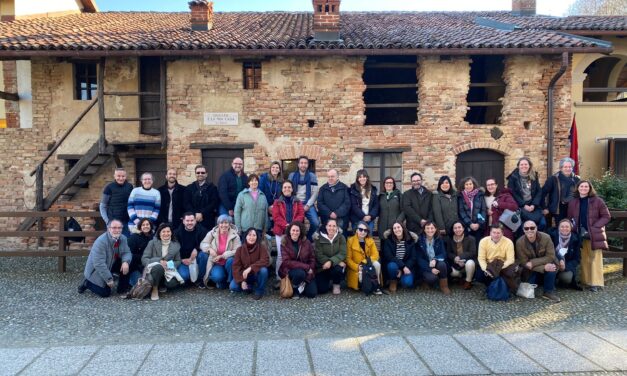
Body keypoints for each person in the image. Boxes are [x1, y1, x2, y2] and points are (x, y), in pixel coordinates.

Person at [567, 180, 611, 292]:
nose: (584, 188)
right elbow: (570, 218)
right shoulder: (573, 202)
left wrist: (595, 227)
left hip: (594, 234)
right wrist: (573, 228)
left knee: (595, 258)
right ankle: (586, 281)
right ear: (578, 188)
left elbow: (606, 216)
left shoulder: (598, 201)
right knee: (584, 258)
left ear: (590, 188)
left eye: (586, 186)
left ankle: (595, 283)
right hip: (579, 234)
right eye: (581, 186)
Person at [78, 219, 132, 297]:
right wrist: (109, 279)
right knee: (105, 293)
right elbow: (99, 263)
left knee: (129, 263)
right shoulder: (101, 241)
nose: (117, 230)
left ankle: (122, 289)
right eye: (114, 228)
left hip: (111, 264)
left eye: (119, 228)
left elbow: (126, 252)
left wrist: (125, 262)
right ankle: (87, 282)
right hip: (96, 270)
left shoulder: (123, 238)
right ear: (108, 228)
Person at [515, 220, 561, 302]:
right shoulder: (519, 242)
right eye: (526, 228)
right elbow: (524, 263)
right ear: (523, 230)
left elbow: (550, 256)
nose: (529, 230)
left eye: (532, 228)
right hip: (531, 270)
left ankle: (548, 292)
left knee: (551, 268)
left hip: (544, 264)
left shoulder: (546, 237)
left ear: (536, 228)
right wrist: (544, 267)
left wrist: (533, 263)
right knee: (529, 284)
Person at [272, 180, 305, 279]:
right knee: (280, 256)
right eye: (285, 187)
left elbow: (301, 214)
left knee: (293, 255)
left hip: (294, 233)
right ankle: (279, 278)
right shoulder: (277, 202)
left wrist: (293, 226)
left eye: (289, 187)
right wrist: (287, 226)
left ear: (292, 189)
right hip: (281, 232)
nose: (287, 189)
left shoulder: (297, 201)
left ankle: (291, 277)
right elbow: (276, 217)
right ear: (282, 189)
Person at [141, 223, 182, 301]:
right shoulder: (152, 243)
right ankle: (155, 288)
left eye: (168, 231)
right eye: (163, 231)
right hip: (153, 269)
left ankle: (161, 284)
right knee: (158, 267)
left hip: (168, 269)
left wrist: (168, 264)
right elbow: (144, 259)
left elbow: (178, 261)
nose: (166, 234)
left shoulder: (176, 245)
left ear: (171, 233)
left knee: (171, 284)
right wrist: (159, 261)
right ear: (159, 233)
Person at [199, 214, 241, 289]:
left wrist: (222, 256)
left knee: (231, 260)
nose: (224, 225)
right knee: (217, 277)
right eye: (221, 223)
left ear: (230, 224)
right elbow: (203, 244)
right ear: (218, 224)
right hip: (217, 263)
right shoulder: (212, 233)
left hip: (228, 262)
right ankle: (221, 282)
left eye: (226, 223)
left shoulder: (235, 235)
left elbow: (238, 250)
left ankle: (230, 281)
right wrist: (209, 249)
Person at [278, 222, 318, 299]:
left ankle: (301, 286)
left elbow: (312, 258)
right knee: (300, 273)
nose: (295, 233)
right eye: (293, 230)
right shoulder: (284, 242)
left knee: (312, 294)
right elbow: (286, 262)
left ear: (300, 232)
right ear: (289, 231)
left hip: (306, 271)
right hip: (290, 270)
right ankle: (295, 289)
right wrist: (306, 267)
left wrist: (310, 273)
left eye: (297, 231)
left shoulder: (307, 242)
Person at [476, 225, 519, 294]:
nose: (496, 235)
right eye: (494, 232)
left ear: (502, 233)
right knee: (479, 275)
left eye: (498, 233)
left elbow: (510, 259)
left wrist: (498, 268)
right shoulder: (483, 241)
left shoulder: (508, 242)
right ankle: (491, 285)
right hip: (489, 265)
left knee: (509, 273)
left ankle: (503, 286)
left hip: (503, 265)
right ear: (490, 233)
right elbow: (481, 259)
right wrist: (486, 270)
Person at [230, 228, 270, 300]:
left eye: (254, 235)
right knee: (233, 286)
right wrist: (242, 281)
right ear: (245, 236)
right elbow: (236, 267)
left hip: (256, 274)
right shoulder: (240, 249)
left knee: (264, 270)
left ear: (257, 237)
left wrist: (250, 268)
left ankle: (259, 290)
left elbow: (265, 260)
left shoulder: (261, 247)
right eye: (249, 235)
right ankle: (249, 287)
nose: (251, 237)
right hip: (244, 275)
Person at [507, 157, 545, 230]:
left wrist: (534, 205)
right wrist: (524, 205)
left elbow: (538, 191)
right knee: (524, 226)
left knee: (542, 224)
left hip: (534, 205)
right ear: (518, 166)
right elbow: (513, 193)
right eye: (521, 164)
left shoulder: (534, 175)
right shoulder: (513, 177)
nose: (524, 166)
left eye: (526, 164)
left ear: (529, 165)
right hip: (520, 206)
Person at [346, 220, 383, 294]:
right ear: (356, 230)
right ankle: (365, 285)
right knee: (361, 281)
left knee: (377, 264)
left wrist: (365, 262)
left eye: (365, 230)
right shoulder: (350, 241)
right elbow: (348, 259)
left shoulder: (370, 240)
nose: (363, 232)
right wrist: (357, 267)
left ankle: (376, 285)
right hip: (357, 267)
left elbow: (376, 254)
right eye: (360, 229)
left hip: (368, 264)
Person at [542, 157, 580, 226]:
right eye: (565, 167)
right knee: (561, 227)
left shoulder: (577, 179)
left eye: (570, 167)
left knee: (573, 227)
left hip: (573, 207)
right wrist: (544, 207)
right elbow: (542, 193)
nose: (568, 169)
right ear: (561, 168)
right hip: (559, 208)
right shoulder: (553, 179)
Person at [288, 156, 320, 240]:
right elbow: (288, 190)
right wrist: (296, 203)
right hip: (295, 203)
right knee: (296, 224)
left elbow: (315, 193)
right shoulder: (292, 176)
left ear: (308, 165)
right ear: (298, 164)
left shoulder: (312, 176)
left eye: (305, 163)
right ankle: (298, 240)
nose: (303, 165)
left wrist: (308, 205)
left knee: (316, 223)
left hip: (308, 204)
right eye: (301, 163)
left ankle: (308, 238)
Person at [314, 218, 347, 295]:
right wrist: (330, 262)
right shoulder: (318, 238)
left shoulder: (341, 237)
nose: (331, 228)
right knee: (322, 290)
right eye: (329, 226)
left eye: (334, 226)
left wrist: (331, 262)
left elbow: (342, 253)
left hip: (335, 266)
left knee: (338, 269)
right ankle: (326, 280)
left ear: (337, 228)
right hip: (323, 266)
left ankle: (336, 284)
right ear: (326, 226)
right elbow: (319, 254)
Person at [382, 222, 417, 292]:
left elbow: (413, 257)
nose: (397, 229)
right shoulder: (389, 241)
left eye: (398, 227)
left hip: (407, 266)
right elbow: (389, 257)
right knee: (392, 266)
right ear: (392, 231)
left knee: (407, 283)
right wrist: (403, 267)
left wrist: (403, 269)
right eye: (394, 228)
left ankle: (400, 278)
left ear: (403, 228)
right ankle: (393, 281)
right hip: (395, 265)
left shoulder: (410, 240)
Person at [415, 222, 450, 294]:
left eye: (432, 228)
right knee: (432, 278)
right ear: (424, 230)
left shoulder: (439, 239)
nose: (430, 230)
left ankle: (444, 286)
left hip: (436, 262)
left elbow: (443, 254)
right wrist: (430, 269)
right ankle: (424, 281)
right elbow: (419, 259)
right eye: (427, 228)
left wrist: (435, 259)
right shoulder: (419, 241)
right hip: (425, 266)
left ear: (435, 229)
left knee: (442, 264)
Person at [174, 213, 208, 286]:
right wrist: (181, 260)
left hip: (197, 259)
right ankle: (191, 279)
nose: (190, 223)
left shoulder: (202, 231)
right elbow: (174, 250)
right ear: (183, 221)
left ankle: (201, 279)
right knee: (184, 276)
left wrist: (197, 249)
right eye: (187, 221)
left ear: (195, 221)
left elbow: (206, 244)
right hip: (184, 260)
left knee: (204, 255)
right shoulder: (177, 233)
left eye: (192, 220)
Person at [549, 219, 582, 290]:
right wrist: (559, 261)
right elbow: (549, 252)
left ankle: (560, 280)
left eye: (567, 227)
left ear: (571, 228)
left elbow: (577, 259)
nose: (564, 229)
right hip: (552, 262)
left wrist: (565, 266)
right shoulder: (551, 236)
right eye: (562, 227)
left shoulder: (575, 239)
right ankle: (550, 283)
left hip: (566, 265)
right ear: (558, 228)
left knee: (567, 278)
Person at [184, 164, 219, 231]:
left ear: (206, 174)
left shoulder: (212, 188)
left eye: (203, 172)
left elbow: (214, 203)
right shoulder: (189, 188)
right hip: (192, 220)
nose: (200, 174)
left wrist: (202, 213)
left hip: (208, 219)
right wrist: (195, 214)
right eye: (198, 172)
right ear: (195, 174)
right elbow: (186, 203)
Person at [99, 168, 133, 236]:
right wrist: (107, 221)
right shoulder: (109, 187)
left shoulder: (130, 187)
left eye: (123, 176)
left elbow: (131, 203)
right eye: (118, 176)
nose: (121, 178)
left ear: (126, 176)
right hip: (113, 222)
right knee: (113, 244)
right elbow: (103, 205)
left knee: (125, 242)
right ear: (114, 176)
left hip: (126, 222)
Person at [317, 169, 351, 234]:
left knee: (341, 238)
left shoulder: (344, 188)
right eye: (329, 176)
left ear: (337, 177)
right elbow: (320, 203)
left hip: (341, 219)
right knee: (328, 239)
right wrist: (330, 213)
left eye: (332, 176)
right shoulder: (323, 189)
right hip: (327, 218)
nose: (330, 178)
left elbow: (347, 203)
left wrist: (337, 213)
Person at [445, 221, 477, 290]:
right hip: (455, 263)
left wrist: (460, 257)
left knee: (470, 263)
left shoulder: (471, 239)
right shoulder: (450, 239)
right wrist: (455, 259)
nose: (457, 229)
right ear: (453, 230)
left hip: (467, 262)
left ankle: (468, 281)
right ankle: (461, 277)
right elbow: (448, 253)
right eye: (455, 228)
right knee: (449, 271)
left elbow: (472, 252)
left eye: (459, 227)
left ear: (463, 228)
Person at [458, 176, 487, 246]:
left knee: (478, 244)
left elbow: (483, 211)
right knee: (468, 245)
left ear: (473, 184)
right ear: (463, 186)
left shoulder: (480, 195)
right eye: (466, 184)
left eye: (470, 184)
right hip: (466, 225)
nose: (469, 186)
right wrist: (470, 224)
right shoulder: (461, 196)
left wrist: (478, 224)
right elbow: (461, 212)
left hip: (478, 226)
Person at [126, 218, 154, 288]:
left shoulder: (153, 237)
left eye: (147, 224)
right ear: (140, 227)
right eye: (143, 225)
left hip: (147, 265)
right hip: (135, 266)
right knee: (139, 284)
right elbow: (129, 254)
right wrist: (143, 257)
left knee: (151, 283)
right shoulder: (134, 237)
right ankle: (129, 280)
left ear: (150, 226)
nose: (145, 226)